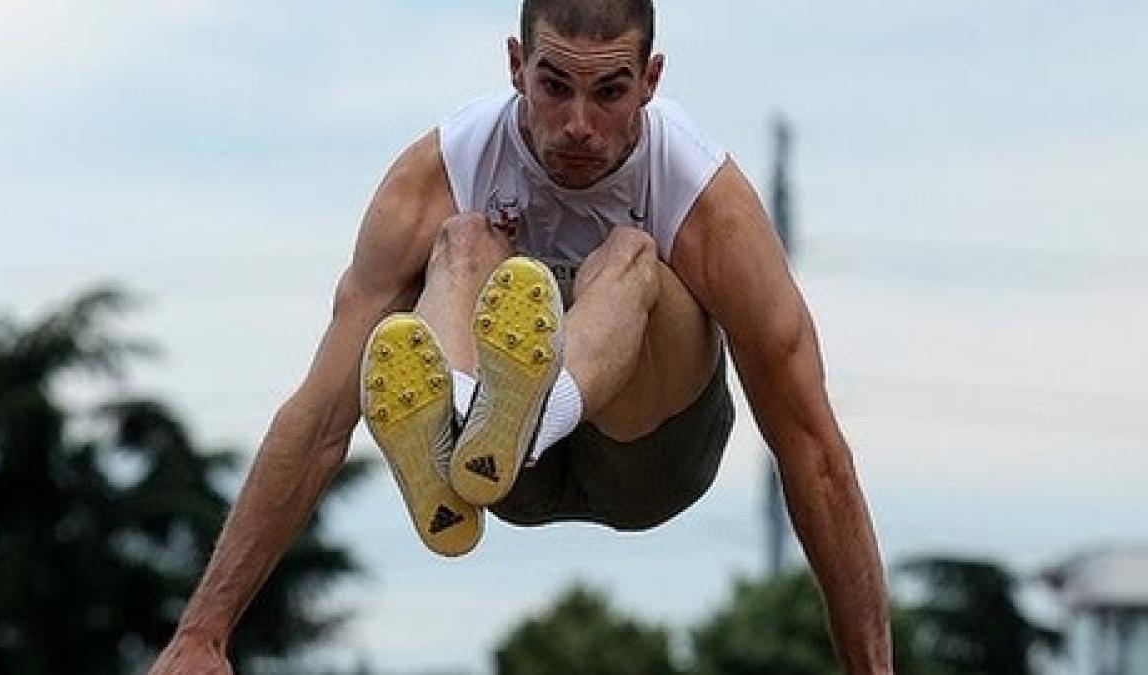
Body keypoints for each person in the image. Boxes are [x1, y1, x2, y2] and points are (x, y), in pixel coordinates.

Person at [148, 0, 894, 672]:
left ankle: (515, 418)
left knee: (631, 255)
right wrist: (203, 633)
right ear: (515, 66)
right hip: (499, 484)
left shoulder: (703, 198)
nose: (577, 125)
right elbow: (318, 416)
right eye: (554, 86)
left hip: (650, 457)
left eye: (609, 93)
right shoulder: (439, 174)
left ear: (651, 80)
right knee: (462, 240)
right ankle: (474, 424)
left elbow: (812, 445)